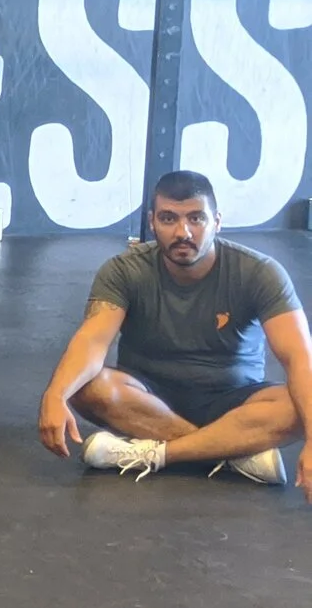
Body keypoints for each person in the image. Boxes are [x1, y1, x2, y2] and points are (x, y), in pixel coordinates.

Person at [38, 171, 312, 489]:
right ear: (152, 222)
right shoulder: (124, 270)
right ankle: (233, 452)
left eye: (196, 218)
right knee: (85, 387)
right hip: (147, 401)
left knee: (300, 406)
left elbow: (299, 358)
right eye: (169, 219)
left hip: (236, 402)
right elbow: (92, 340)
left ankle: (158, 453)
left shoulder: (259, 272)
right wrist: (54, 395)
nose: (183, 232)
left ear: (217, 222)